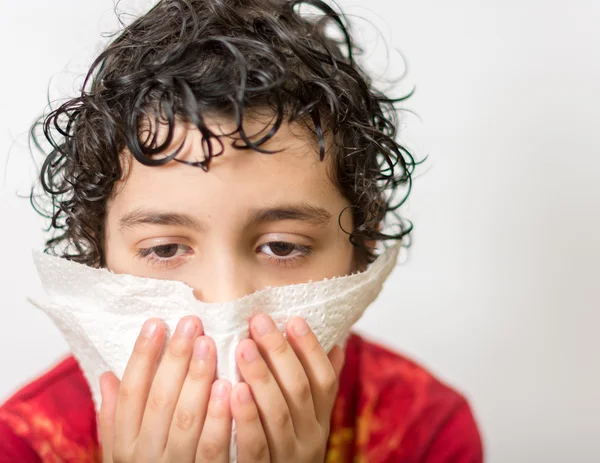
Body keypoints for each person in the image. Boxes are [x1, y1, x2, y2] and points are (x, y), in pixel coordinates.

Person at [0, 0, 483, 461]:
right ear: (99, 256)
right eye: (166, 248)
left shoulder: (425, 431)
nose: (226, 304)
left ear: (363, 248)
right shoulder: (23, 444)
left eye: (281, 246)